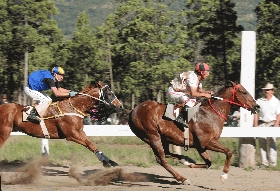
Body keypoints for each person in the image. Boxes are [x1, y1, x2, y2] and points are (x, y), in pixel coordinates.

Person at [167, 62, 212, 154]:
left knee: (193, 100)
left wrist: (207, 92)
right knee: (192, 100)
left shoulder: (198, 79)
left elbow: (199, 90)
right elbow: (194, 93)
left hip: (181, 91)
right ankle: (181, 118)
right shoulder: (193, 78)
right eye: (206, 72)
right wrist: (205, 95)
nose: (208, 74)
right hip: (173, 91)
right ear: (201, 72)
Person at [253, 83, 280, 167]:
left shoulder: (276, 101)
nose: (266, 91)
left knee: (272, 142)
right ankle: (264, 162)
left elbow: (279, 114)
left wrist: (276, 125)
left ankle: (273, 163)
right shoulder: (259, 101)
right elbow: (256, 113)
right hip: (262, 123)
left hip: (272, 123)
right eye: (265, 90)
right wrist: (255, 125)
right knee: (262, 143)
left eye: (268, 90)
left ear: (272, 91)